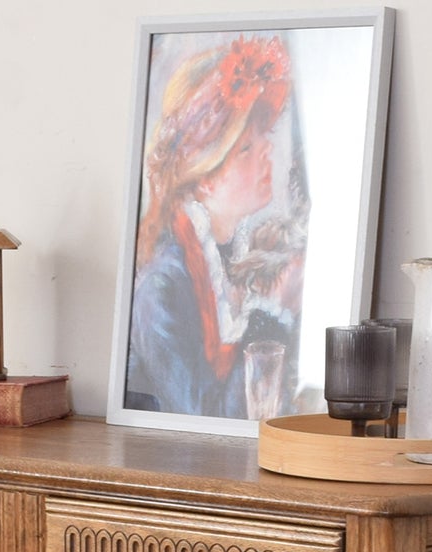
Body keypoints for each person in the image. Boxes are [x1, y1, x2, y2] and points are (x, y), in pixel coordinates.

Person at [125, 35, 307, 420]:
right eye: (244, 149)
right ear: (204, 176)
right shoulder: (161, 288)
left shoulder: (232, 258)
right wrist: (276, 313)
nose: (266, 153)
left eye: (265, 140)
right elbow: (202, 419)